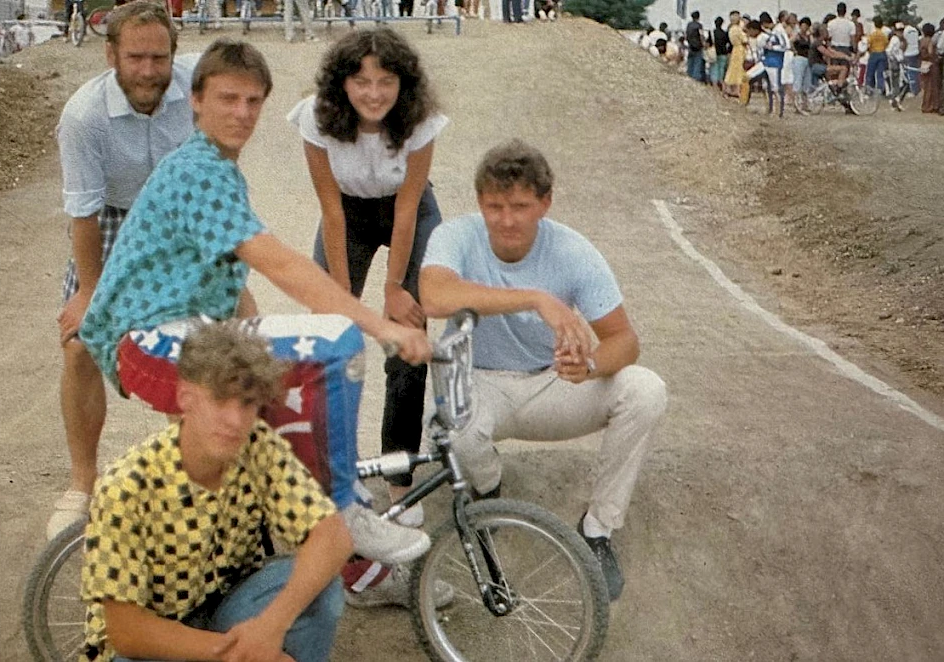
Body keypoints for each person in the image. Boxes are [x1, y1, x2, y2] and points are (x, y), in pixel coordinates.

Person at [79, 39, 434, 567]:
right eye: (227, 98)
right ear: (196, 100)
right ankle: (344, 510)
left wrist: (269, 345)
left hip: (182, 337)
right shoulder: (198, 171)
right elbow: (280, 263)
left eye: (253, 101)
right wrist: (382, 327)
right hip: (151, 342)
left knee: (289, 404)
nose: (241, 113)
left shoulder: (219, 170)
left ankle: (352, 573)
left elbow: (232, 287)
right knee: (338, 340)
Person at [418, 140, 668, 601]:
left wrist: (589, 365)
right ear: (479, 202)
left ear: (544, 204)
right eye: (495, 206)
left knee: (646, 390)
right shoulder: (456, 235)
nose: (507, 220)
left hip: (550, 383)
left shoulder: (573, 250)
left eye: (520, 206)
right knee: (455, 427)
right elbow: (433, 296)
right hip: (480, 384)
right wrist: (537, 298)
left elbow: (625, 340)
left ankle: (597, 530)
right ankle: (489, 496)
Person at [79, 321, 353, 662]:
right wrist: (238, 653)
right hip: (153, 639)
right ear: (186, 398)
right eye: (221, 400)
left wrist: (270, 628)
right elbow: (128, 632)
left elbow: (333, 537)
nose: (235, 421)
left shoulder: (255, 444)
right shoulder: (127, 484)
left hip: (223, 606)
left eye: (248, 404)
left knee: (322, 587)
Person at [287, 28, 448, 529]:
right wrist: (341, 299)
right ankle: (334, 469)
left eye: (385, 81)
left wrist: (394, 288)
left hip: (409, 211)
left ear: (404, 83)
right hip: (348, 216)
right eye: (361, 81)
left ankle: (398, 473)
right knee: (329, 337)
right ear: (342, 84)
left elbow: (406, 211)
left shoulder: (419, 120)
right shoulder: (316, 117)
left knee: (408, 338)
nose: (373, 93)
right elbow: (330, 211)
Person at [49, 1, 198, 540]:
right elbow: (83, 213)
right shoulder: (84, 115)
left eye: (159, 57)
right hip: (110, 215)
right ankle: (82, 483)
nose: (148, 70)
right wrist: (89, 291)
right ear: (110, 54)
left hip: (178, 217)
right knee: (81, 345)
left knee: (197, 348)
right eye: (135, 57)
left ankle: (192, 479)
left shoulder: (198, 90)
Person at [759, 12, 789, 117]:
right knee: (768, 87)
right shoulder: (772, 32)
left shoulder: (779, 30)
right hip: (768, 61)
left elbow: (786, 45)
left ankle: (779, 112)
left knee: (776, 88)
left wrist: (772, 48)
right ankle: (770, 109)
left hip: (775, 62)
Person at [724, 11, 747, 98]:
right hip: (739, 50)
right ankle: (736, 90)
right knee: (737, 69)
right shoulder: (737, 29)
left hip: (735, 49)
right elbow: (744, 40)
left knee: (733, 68)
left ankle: (730, 88)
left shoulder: (731, 28)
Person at [866, 17, 890, 94]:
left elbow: (868, 43)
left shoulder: (872, 34)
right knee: (880, 73)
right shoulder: (883, 35)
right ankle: (881, 88)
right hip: (882, 53)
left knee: (870, 72)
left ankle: (870, 88)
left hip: (874, 53)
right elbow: (886, 44)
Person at [920, 22, 940, 112]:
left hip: (923, 64)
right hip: (931, 65)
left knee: (925, 86)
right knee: (932, 86)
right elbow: (931, 52)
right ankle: (931, 106)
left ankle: (925, 105)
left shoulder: (921, 40)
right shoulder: (930, 41)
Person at [711, 16, 732, 89]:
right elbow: (728, 42)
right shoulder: (724, 33)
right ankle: (721, 82)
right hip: (723, 52)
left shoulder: (712, 33)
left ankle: (714, 84)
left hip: (714, 53)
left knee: (714, 68)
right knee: (721, 68)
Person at [686, 11, 706, 82]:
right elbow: (701, 35)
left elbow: (687, 35)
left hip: (690, 46)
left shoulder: (689, 25)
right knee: (697, 63)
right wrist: (703, 43)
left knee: (690, 63)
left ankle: (689, 76)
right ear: (698, 17)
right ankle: (695, 79)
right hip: (698, 47)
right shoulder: (699, 25)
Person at [904, 21, 921, 94]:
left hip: (908, 53)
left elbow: (904, 42)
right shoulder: (915, 30)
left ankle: (913, 90)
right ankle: (917, 88)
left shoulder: (905, 31)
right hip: (916, 52)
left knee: (910, 73)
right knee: (916, 71)